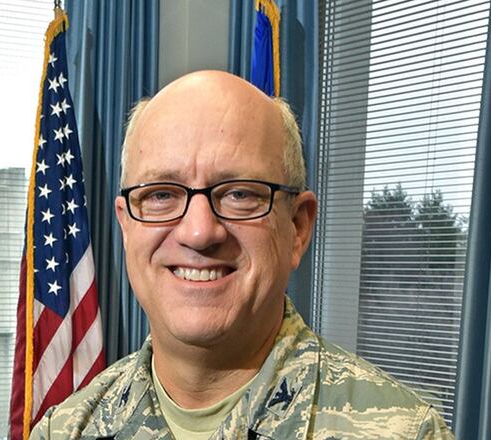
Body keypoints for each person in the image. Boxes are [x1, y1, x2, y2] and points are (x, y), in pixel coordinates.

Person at [30, 70, 454, 439]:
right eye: (160, 194)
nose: (199, 232)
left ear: (297, 228)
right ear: (126, 225)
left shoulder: (405, 432)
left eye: (239, 194)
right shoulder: (66, 430)